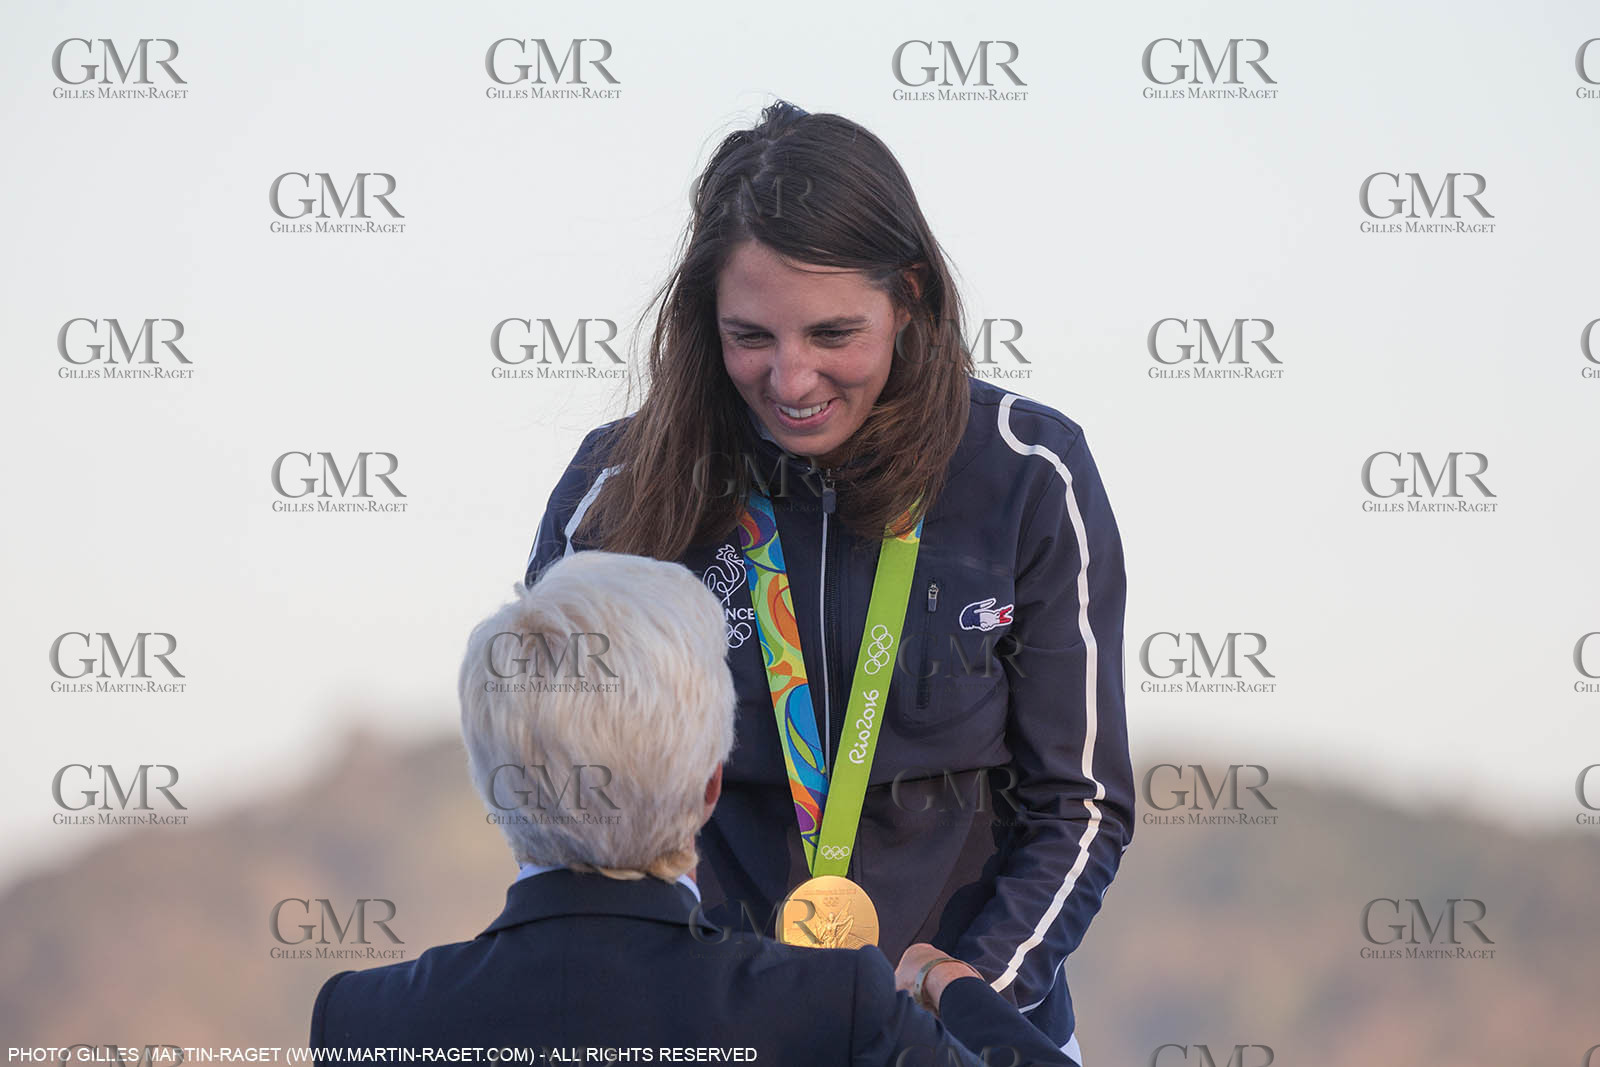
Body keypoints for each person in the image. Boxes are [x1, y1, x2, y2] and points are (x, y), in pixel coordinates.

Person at [523, 100, 1134, 1065]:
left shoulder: (1028, 473)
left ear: (910, 297)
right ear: (704, 319)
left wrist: (959, 1010)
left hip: (959, 1031)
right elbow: (558, 794)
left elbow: (1080, 801)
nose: (792, 379)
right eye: (751, 336)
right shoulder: (619, 491)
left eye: (833, 333)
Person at [310, 551, 1074, 1065]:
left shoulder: (362, 1021)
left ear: (494, 786)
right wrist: (952, 986)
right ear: (711, 785)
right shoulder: (834, 1007)